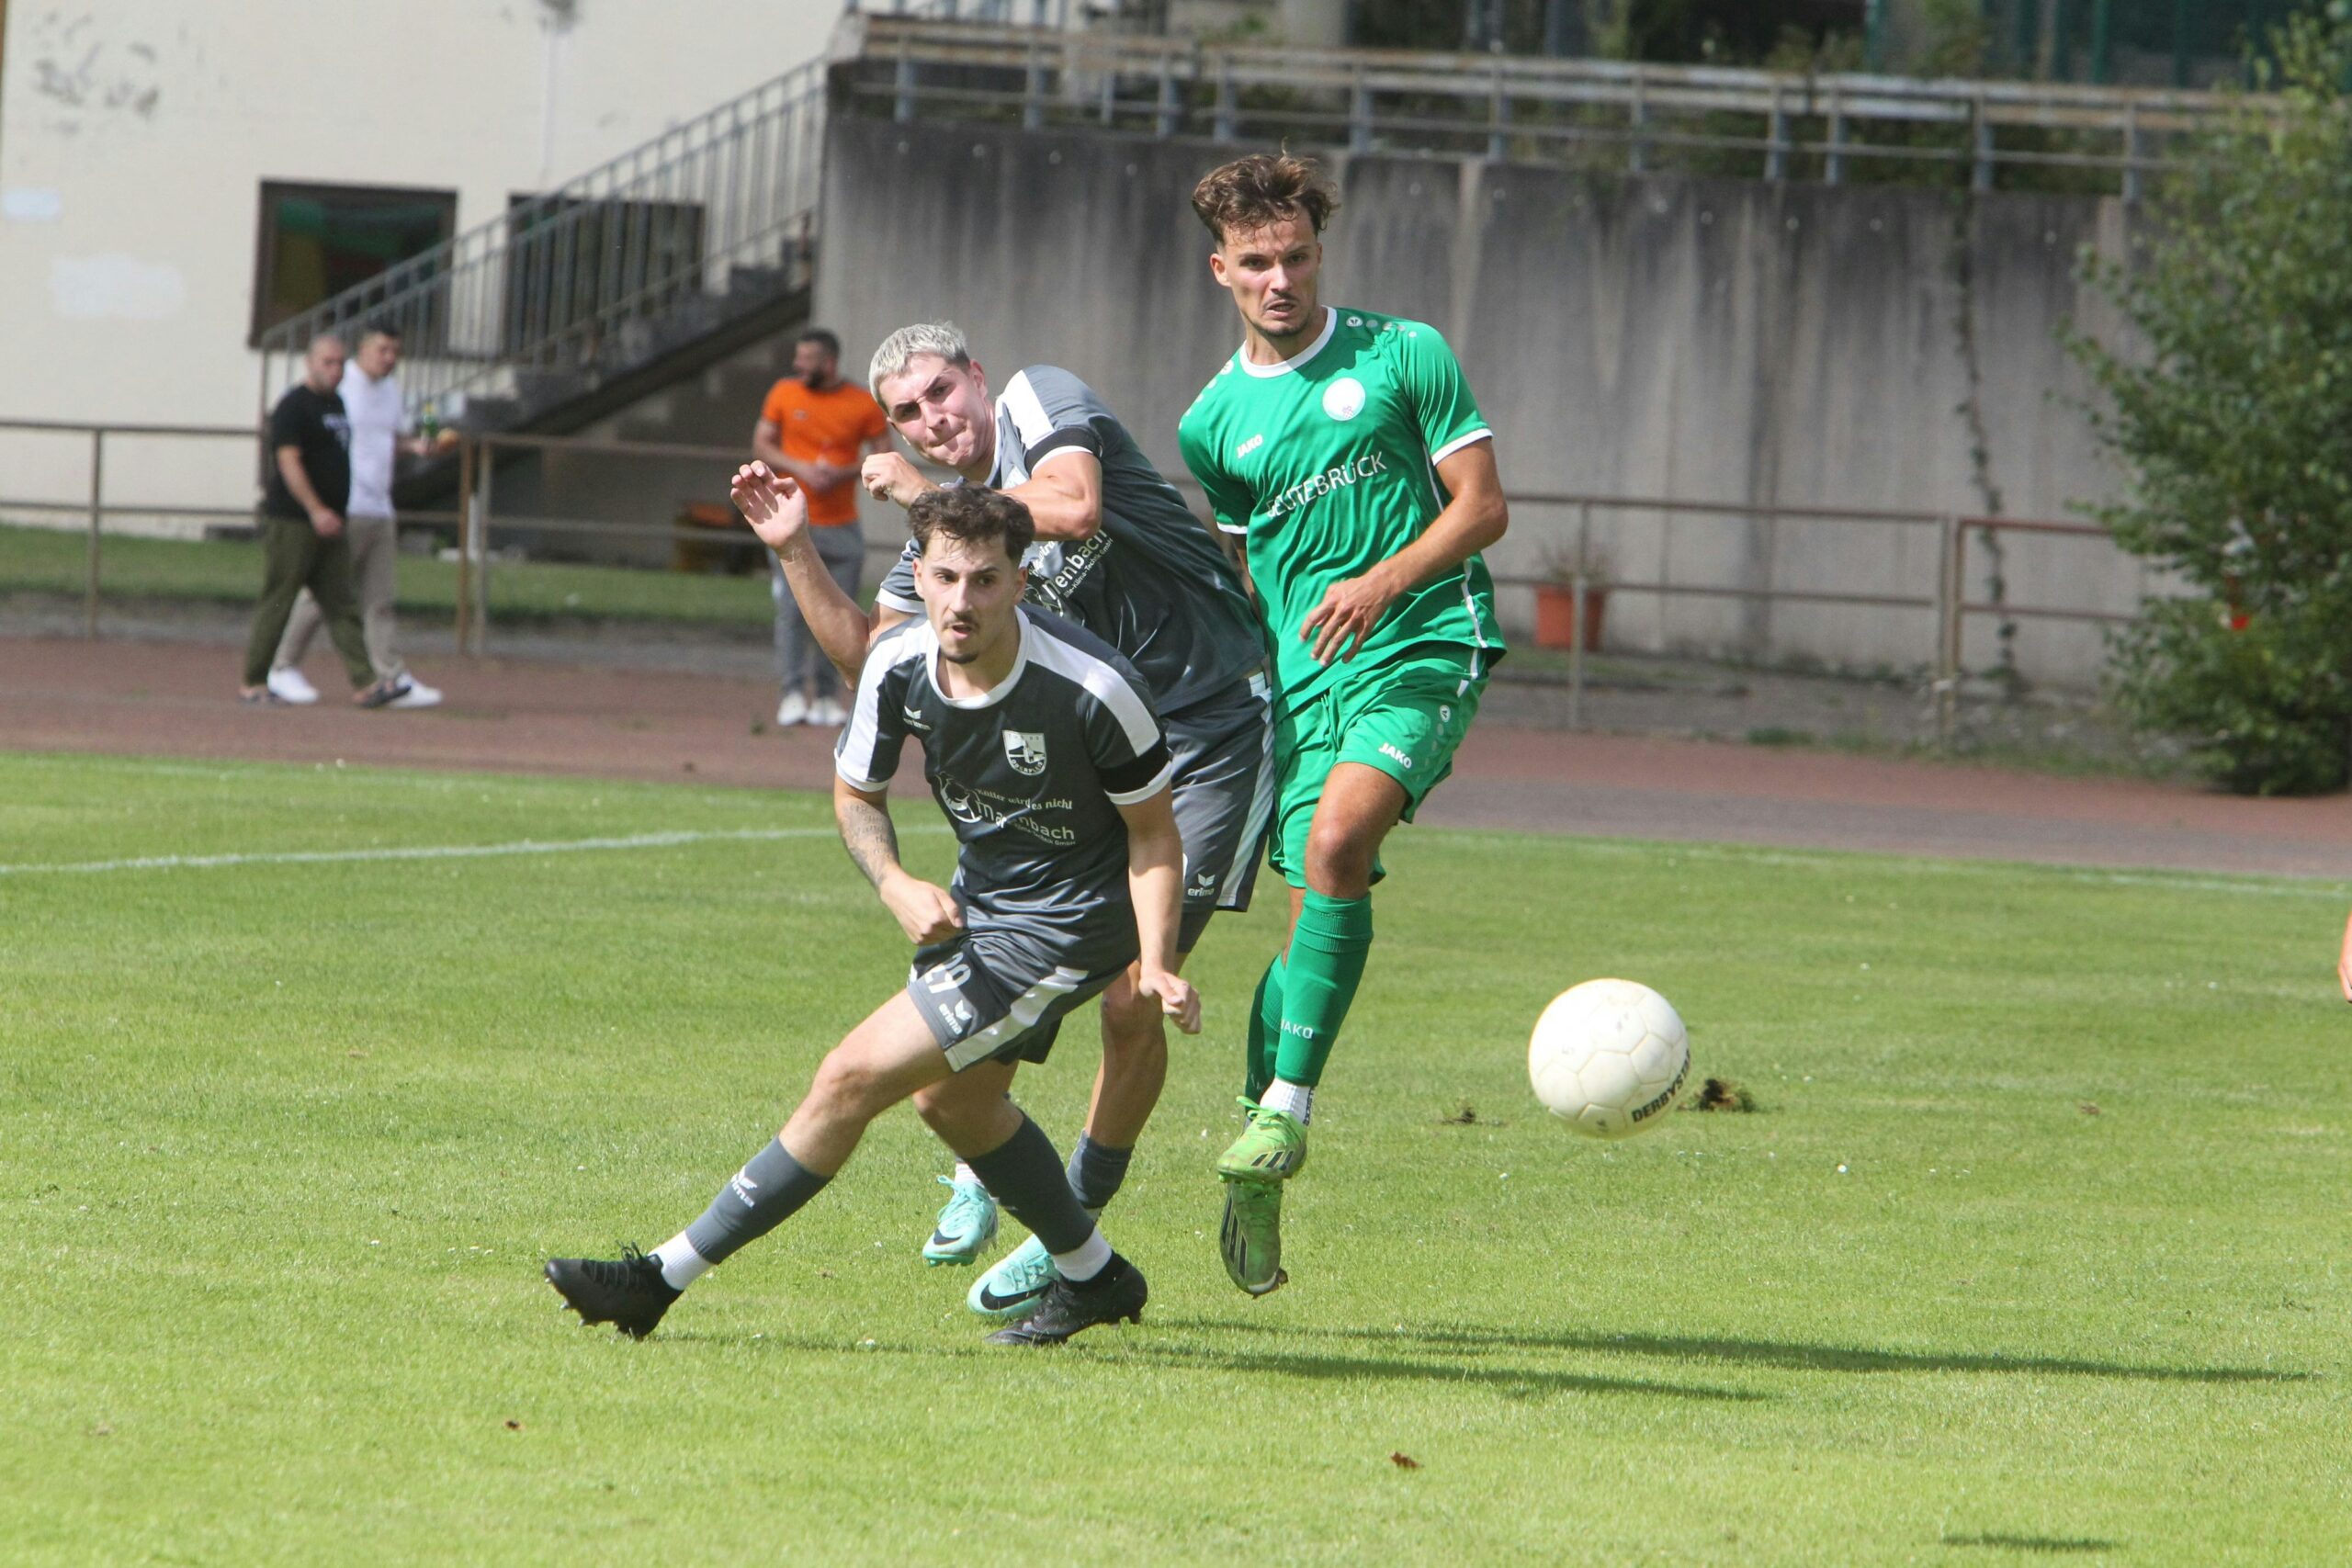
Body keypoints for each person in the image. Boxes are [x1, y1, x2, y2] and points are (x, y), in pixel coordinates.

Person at [545, 481, 1199, 1348]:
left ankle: (658, 1279)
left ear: (1020, 582)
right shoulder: (898, 663)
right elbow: (857, 795)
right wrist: (893, 880)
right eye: (946, 577)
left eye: (987, 580)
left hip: (1072, 920)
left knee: (849, 1075)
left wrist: (1153, 963)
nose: (963, 600)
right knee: (950, 1103)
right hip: (984, 906)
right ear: (919, 577)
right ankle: (1095, 1275)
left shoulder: (1092, 687)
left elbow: (1155, 838)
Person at [775, 321, 1271, 1320]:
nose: (931, 421)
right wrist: (794, 552)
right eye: (907, 415)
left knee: (1135, 994)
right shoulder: (948, 546)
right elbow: (874, 662)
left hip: (1214, 719)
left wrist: (924, 501)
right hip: (1099, 746)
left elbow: (1076, 510)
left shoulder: (1039, 405)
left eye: (940, 392)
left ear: (977, 378)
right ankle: (990, 1167)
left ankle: (1072, 1225)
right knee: (1010, 949)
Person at [1176, 152, 1510, 1296]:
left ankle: (1285, 1108)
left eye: (1297, 257)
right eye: (1257, 263)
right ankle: (1256, 1136)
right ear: (1221, 270)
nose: (1280, 279)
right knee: (1309, 904)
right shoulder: (1213, 423)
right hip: (1303, 690)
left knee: (1334, 849)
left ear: (1321, 255)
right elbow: (1244, 571)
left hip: (1425, 643)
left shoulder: (1404, 353)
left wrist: (1379, 583)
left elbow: (1484, 506)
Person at [266, 324, 449, 708]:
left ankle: (390, 675)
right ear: (362, 352)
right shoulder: (342, 387)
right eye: (382, 349)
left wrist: (416, 446)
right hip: (348, 507)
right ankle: (282, 665)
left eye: (394, 350)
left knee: (380, 599)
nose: (389, 357)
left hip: (380, 506)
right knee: (324, 595)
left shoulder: (390, 392)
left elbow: (386, 439)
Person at [242, 333, 413, 709]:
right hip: (295, 520)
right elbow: (289, 462)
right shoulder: (293, 407)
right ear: (310, 362)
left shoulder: (336, 403)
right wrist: (315, 509)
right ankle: (255, 681)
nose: (335, 370)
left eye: (339, 363)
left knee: (341, 602)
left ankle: (367, 682)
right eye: (327, 362)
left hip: (334, 520)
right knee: (279, 598)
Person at [751, 328, 891, 728]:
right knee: (792, 612)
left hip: (843, 524)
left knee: (842, 612)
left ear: (828, 363)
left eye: (806, 359)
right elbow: (762, 445)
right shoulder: (784, 393)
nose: (797, 366)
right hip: (792, 525)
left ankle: (829, 696)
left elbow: (884, 456)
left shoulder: (861, 403)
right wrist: (800, 469)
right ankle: (792, 693)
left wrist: (843, 472)